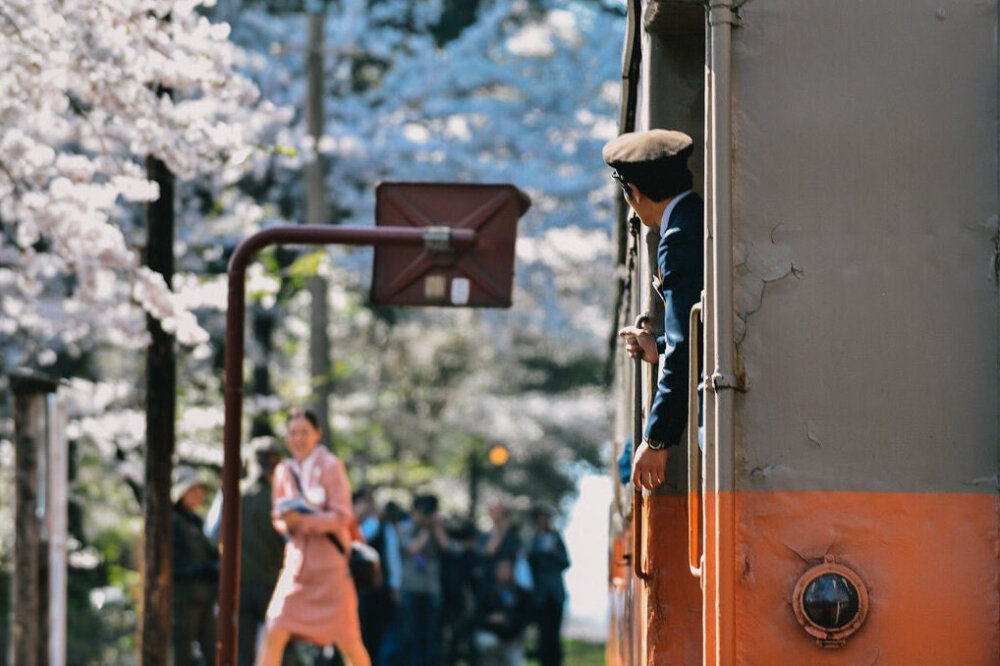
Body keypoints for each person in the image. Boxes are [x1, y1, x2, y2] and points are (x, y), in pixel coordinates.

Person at [606, 129, 704, 490]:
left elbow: (687, 344)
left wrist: (656, 438)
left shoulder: (677, 237)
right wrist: (658, 346)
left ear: (633, 192)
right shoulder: (696, 217)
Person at [257, 409, 370, 666]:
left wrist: (305, 521)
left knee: (349, 641)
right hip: (296, 568)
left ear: (317, 434)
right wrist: (286, 523)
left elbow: (343, 515)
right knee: (274, 625)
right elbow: (277, 516)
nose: (298, 438)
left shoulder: (331, 465)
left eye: (304, 432)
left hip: (331, 568)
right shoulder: (284, 470)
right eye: (293, 433)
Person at [172, 466, 219, 666]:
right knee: (182, 654)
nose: (199, 495)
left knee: (212, 651)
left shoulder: (195, 521)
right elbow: (173, 566)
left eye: (201, 490)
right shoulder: (173, 522)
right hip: (183, 601)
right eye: (193, 490)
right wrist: (204, 570)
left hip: (204, 599)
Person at [397, 493, 450, 666]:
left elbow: (446, 548)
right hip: (411, 588)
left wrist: (435, 527)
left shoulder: (438, 529)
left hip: (432, 589)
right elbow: (412, 549)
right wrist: (425, 529)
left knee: (432, 636)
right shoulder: (405, 527)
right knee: (410, 635)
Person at [352, 487, 402, 666]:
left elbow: (392, 557)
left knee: (376, 638)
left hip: (377, 592)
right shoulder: (347, 526)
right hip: (352, 592)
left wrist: (395, 585)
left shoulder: (383, 526)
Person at [525, 504, 570, 666]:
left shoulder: (556, 538)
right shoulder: (533, 540)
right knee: (543, 633)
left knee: (554, 634)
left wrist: (553, 553)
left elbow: (566, 562)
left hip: (555, 594)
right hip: (540, 595)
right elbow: (528, 563)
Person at [473, 558, 532, 666]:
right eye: (502, 568)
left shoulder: (520, 593)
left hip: (513, 638)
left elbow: (525, 617)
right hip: (491, 635)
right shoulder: (486, 592)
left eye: (508, 568)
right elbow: (477, 616)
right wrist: (491, 619)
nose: (505, 571)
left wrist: (507, 620)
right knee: (485, 642)